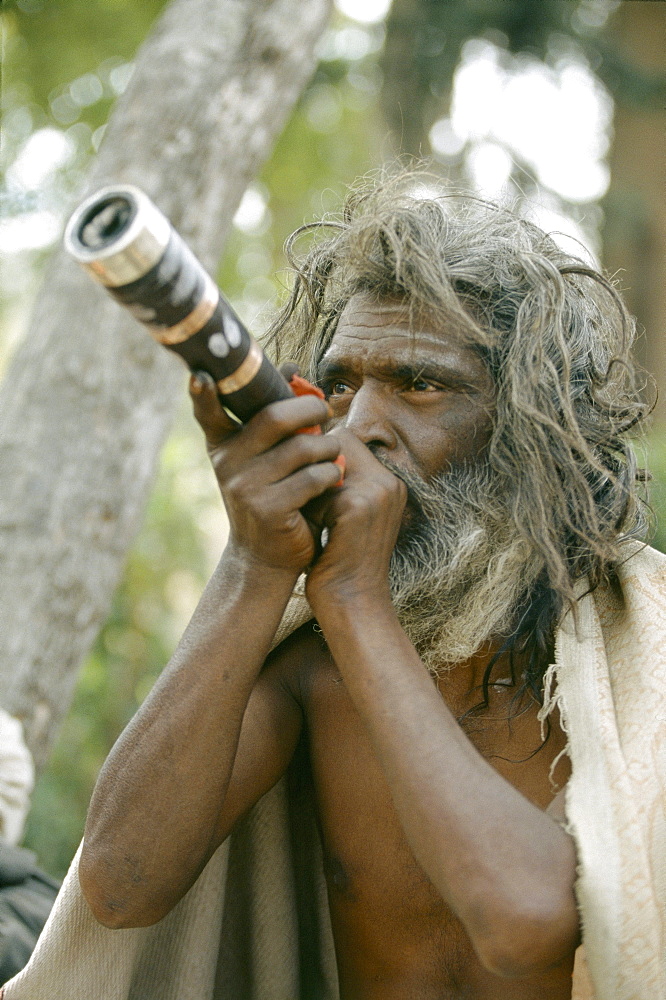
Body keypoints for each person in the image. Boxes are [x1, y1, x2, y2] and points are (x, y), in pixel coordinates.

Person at [3, 173, 665, 1000]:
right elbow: (120, 887)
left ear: (531, 424)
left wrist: (356, 602)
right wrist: (254, 563)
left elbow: (523, 920)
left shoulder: (636, 670)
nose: (358, 430)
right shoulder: (314, 673)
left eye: (419, 383)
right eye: (341, 383)